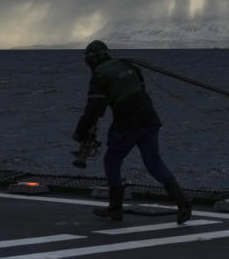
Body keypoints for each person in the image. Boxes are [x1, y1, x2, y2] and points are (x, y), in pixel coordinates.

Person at [73, 40, 191, 224]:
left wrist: (80, 132)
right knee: (154, 164)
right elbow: (139, 90)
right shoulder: (128, 66)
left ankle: (115, 209)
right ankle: (182, 202)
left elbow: (94, 108)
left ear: (92, 59)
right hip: (150, 120)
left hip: (126, 123)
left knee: (112, 161)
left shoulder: (100, 75)